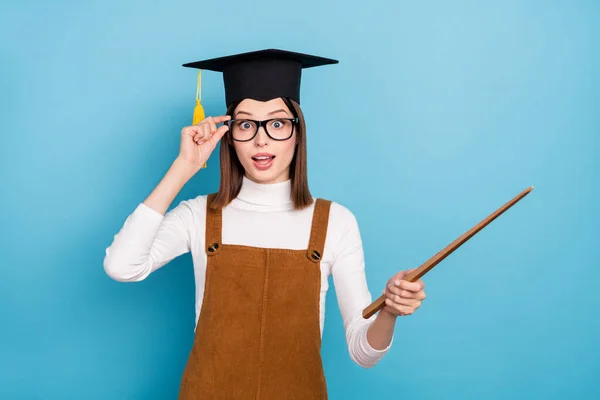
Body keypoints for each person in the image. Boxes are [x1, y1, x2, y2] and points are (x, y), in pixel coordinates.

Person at [103, 49, 427, 399]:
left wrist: (389, 311)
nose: (261, 139)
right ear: (228, 135)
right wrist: (184, 166)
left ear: (298, 132)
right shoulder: (199, 215)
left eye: (276, 123)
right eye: (245, 124)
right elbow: (122, 266)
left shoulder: (335, 222)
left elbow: (362, 352)